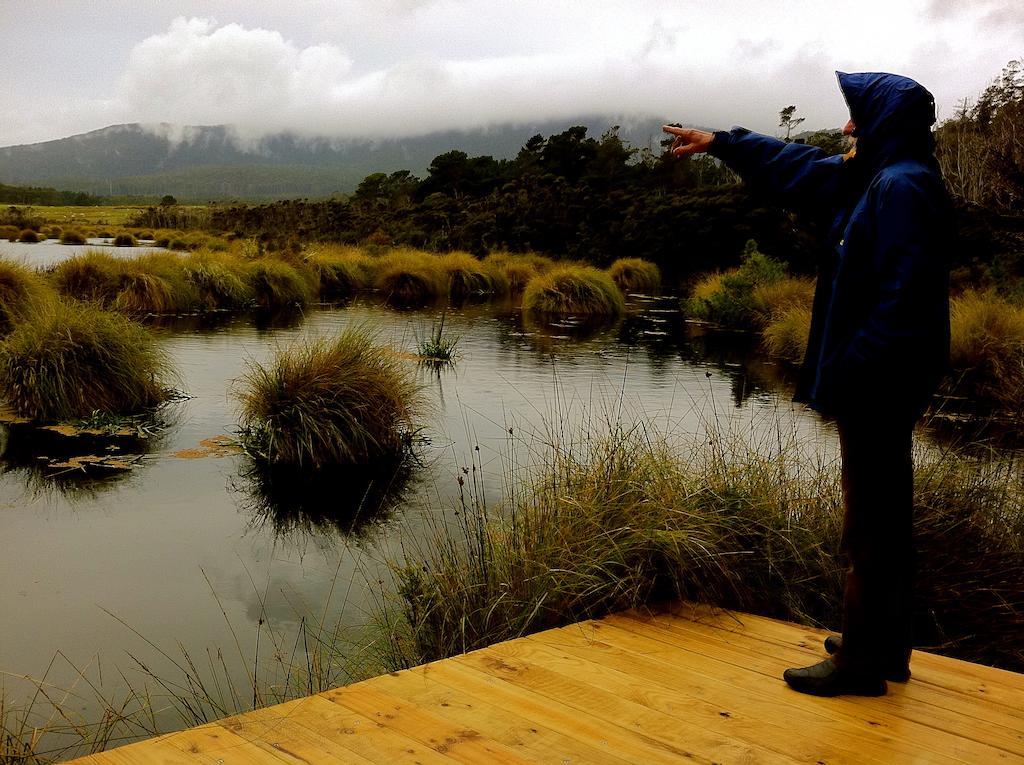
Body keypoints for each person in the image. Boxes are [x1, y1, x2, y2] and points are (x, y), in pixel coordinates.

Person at [663, 71, 951, 697]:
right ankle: (883, 647)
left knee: (869, 524)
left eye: (857, 117)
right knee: (882, 516)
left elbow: (904, 303)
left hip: (878, 382)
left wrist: (853, 372)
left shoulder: (900, 188)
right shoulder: (879, 177)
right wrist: (725, 142)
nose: (846, 127)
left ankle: (860, 667)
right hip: (880, 380)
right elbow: (799, 166)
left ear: (880, 125)